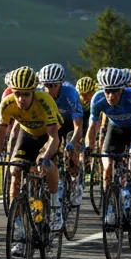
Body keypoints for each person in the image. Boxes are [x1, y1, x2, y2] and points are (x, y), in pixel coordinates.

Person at [0, 67, 64, 234]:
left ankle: (54, 206)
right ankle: (17, 226)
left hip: (47, 136)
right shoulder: (8, 103)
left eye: (26, 94)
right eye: (17, 93)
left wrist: (45, 156)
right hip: (27, 135)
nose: (21, 98)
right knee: (14, 172)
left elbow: (54, 137)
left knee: (46, 165)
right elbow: (0, 133)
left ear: (33, 92)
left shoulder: (45, 100)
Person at [86, 68, 131, 230]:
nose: (111, 95)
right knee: (107, 168)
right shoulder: (98, 99)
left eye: (115, 91)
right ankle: (109, 210)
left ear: (122, 88)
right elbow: (92, 128)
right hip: (116, 130)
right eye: (107, 91)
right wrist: (88, 146)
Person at [38, 63, 85, 203]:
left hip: (69, 125)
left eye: (53, 86)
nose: (49, 89)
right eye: (47, 85)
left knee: (71, 150)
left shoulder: (70, 93)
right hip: (52, 126)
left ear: (61, 84)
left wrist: (72, 143)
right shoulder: (40, 93)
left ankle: (75, 180)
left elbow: (78, 126)